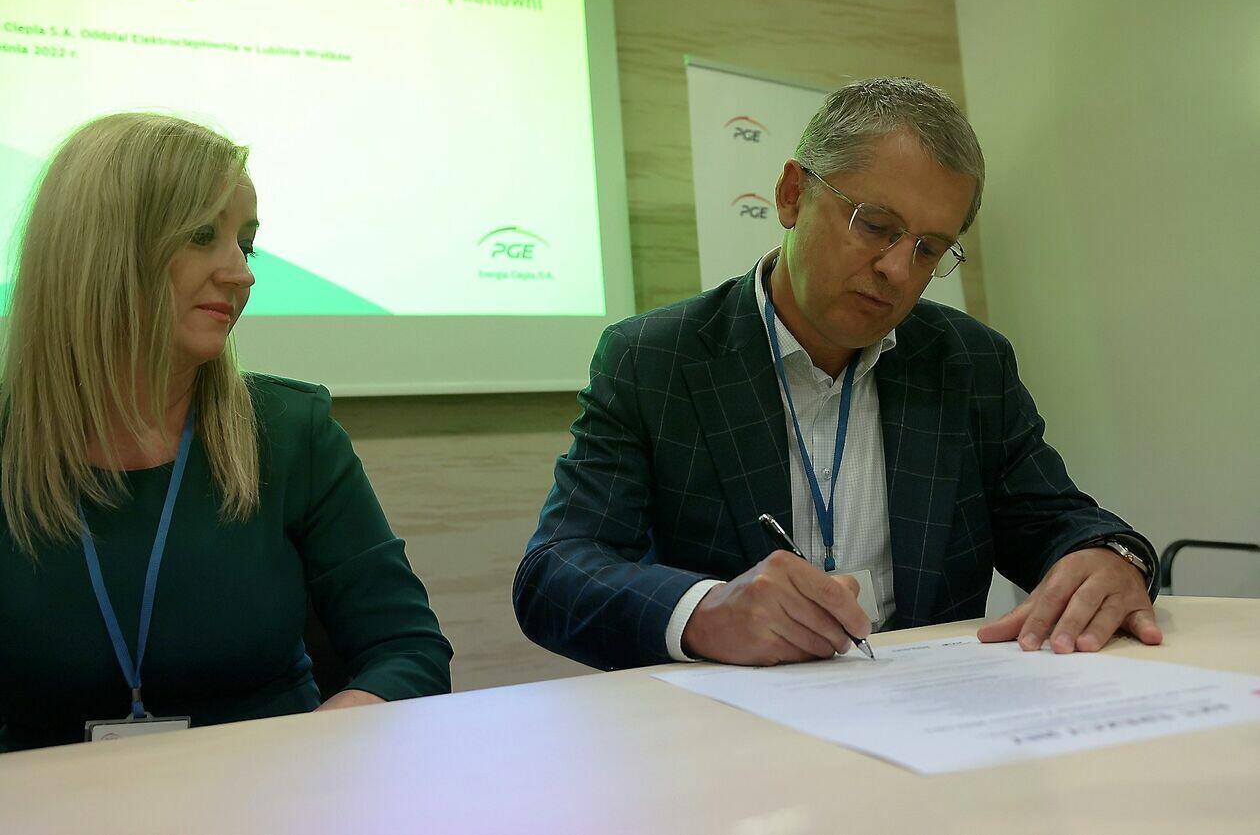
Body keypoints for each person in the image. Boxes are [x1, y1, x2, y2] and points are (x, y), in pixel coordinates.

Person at [514, 77, 1162, 670]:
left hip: (932, 714)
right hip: (734, 730)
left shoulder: (969, 362)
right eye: (876, 226)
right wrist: (707, 610)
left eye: (929, 249)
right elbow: (555, 570)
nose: (898, 270)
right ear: (792, 195)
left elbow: (1055, 521)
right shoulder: (655, 359)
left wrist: (1113, 557)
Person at [0, 113, 452, 751]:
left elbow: (408, 651)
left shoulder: (292, 432)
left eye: (246, 244)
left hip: (269, 788)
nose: (241, 273)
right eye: (202, 236)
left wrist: (302, 755)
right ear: (100, 248)